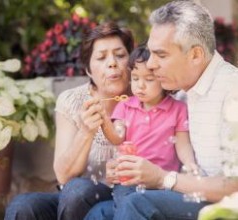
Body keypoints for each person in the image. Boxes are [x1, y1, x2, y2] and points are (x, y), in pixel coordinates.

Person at [85, 1, 238, 219]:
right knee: (98, 212)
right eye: (151, 54)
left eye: (161, 55)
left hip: (222, 206)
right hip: (190, 193)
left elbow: (234, 186)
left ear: (195, 55)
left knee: (138, 204)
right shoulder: (183, 91)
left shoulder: (232, 92)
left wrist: (162, 178)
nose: (152, 64)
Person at [4, 21, 134, 220]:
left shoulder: (145, 99)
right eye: (101, 57)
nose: (112, 63)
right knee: (23, 206)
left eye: (120, 55)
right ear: (89, 70)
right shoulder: (72, 101)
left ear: (132, 61)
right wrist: (85, 132)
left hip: (122, 198)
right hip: (72, 202)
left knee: (77, 190)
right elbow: (63, 176)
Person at [100, 43, 197, 209]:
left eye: (149, 79)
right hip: (130, 178)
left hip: (162, 180)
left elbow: (183, 144)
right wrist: (103, 120)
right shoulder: (125, 106)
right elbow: (117, 136)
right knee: (127, 204)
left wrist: (190, 164)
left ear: (164, 78)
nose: (140, 85)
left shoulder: (178, 109)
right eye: (135, 78)